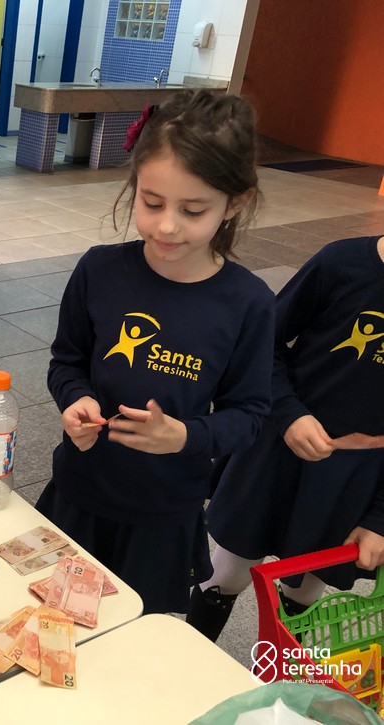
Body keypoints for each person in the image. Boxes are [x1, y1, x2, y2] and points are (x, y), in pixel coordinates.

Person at [34, 90, 276, 614]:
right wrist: (74, 399)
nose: (167, 225)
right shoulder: (100, 270)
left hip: (165, 512)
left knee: (139, 633)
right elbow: (67, 361)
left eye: (193, 210)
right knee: (53, 622)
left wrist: (185, 436)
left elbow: (250, 415)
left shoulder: (248, 303)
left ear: (235, 203)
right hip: (79, 490)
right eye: (152, 202)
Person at [188, 234, 384, 640]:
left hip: (359, 476)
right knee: (228, 573)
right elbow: (262, 345)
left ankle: (275, 678)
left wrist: (380, 519)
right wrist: (289, 413)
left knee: (305, 593)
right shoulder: (341, 262)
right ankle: (185, 667)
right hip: (279, 447)